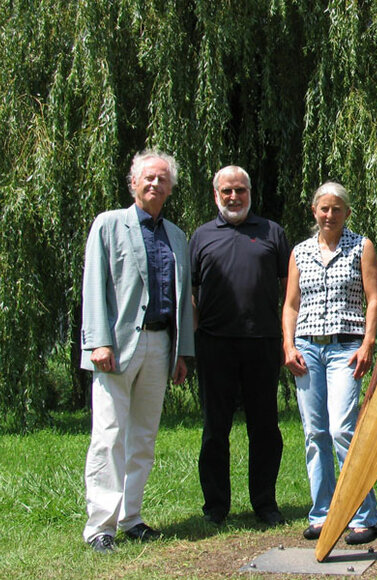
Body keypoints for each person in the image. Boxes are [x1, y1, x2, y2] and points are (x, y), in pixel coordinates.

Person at [80, 149, 195, 552]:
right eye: (147, 178)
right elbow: (94, 283)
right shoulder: (109, 225)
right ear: (133, 183)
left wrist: (182, 351)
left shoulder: (177, 236)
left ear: (170, 188)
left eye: (162, 179)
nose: (154, 184)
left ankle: (131, 517)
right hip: (117, 344)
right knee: (109, 434)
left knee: (143, 436)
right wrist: (98, 340)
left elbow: (181, 300)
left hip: (161, 344)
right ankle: (100, 526)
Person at [282, 181, 377, 545]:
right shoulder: (299, 252)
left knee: (342, 429)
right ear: (314, 211)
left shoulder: (361, 247)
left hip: (345, 347)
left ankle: (364, 514)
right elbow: (291, 304)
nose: (330, 215)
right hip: (307, 348)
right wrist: (287, 344)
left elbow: (373, 299)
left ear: (347, 213)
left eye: (336, 209)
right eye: (324, 208)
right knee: (315, 433)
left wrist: (368, 342)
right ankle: (322, 513)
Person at [189, 165, 290, 526]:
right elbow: (191, 294)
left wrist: (285, 338)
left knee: (264, 428)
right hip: (215, 346)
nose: (234, 197)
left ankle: (265, 503)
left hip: (262, 344)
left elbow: (288, 292)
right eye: (227, 191)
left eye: (240, 191)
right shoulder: (201, 236)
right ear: (216, 194)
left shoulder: (272, 233)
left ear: (250, 192)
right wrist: (197, 336)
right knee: (215, 429)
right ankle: (215, 506)